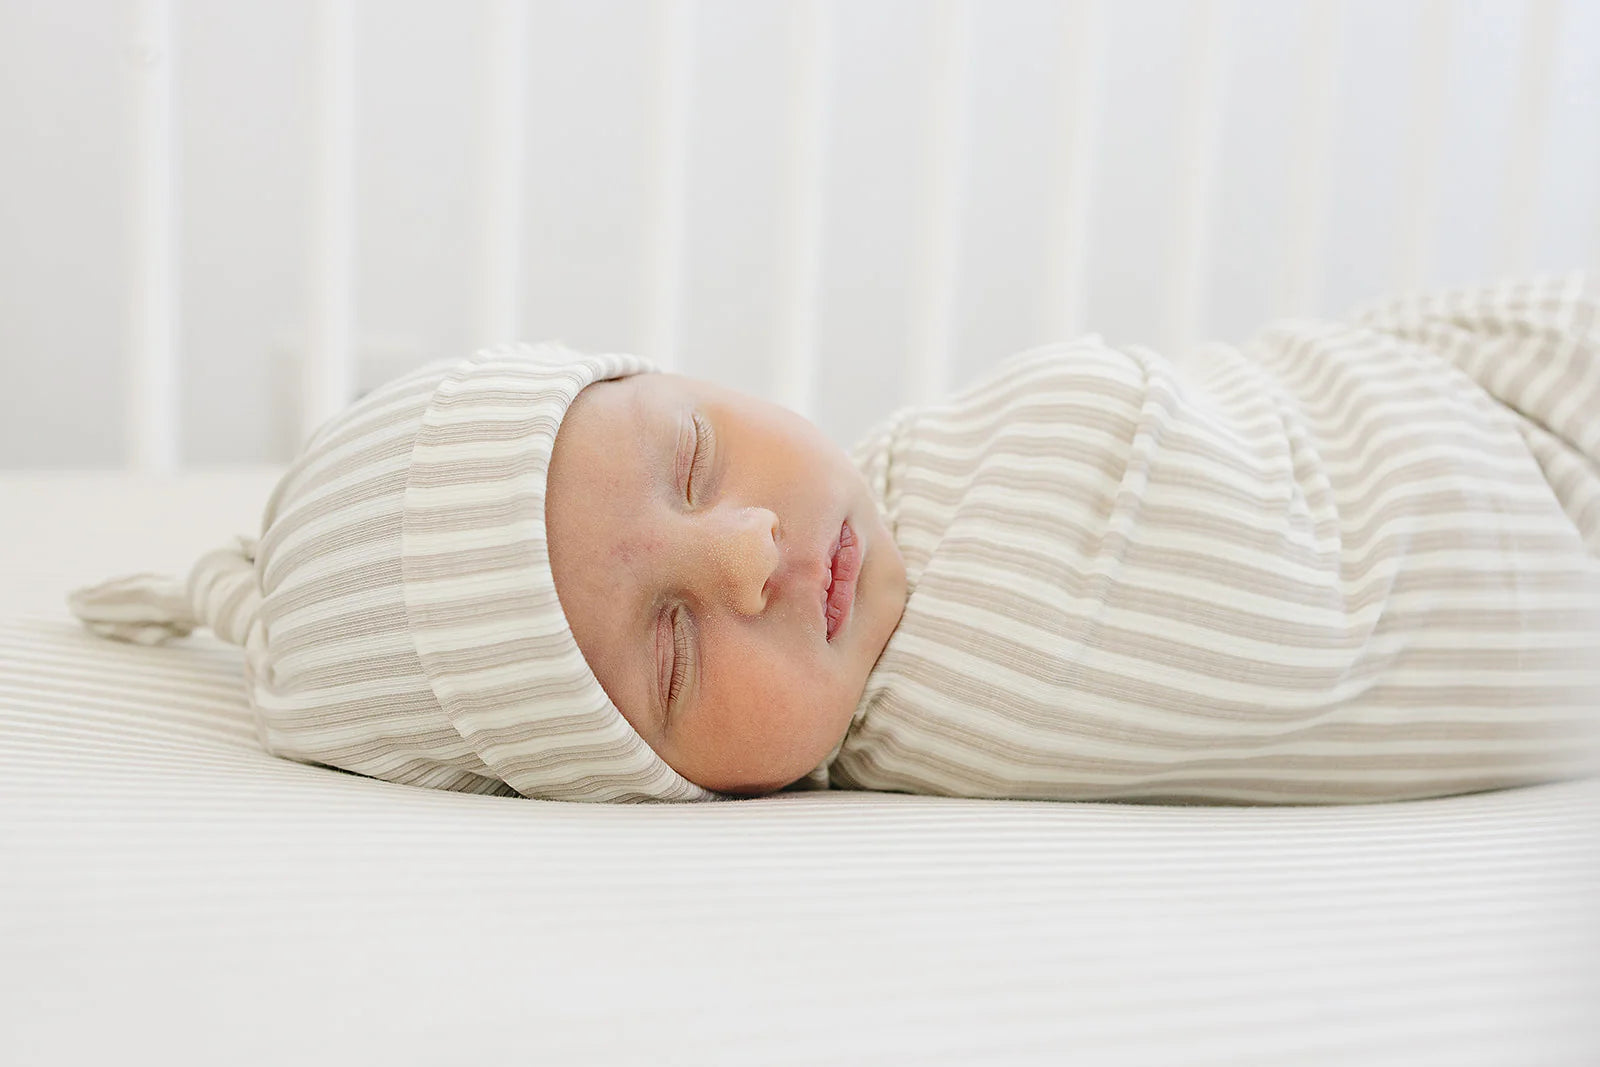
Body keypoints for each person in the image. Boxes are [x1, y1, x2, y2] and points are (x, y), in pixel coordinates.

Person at [70, 273, 1600, 804]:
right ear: (638, 784)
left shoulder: (956, 475)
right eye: (669, 651)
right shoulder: (996, 678)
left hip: (1481, 382)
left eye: (694, 457)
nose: (745, 556)